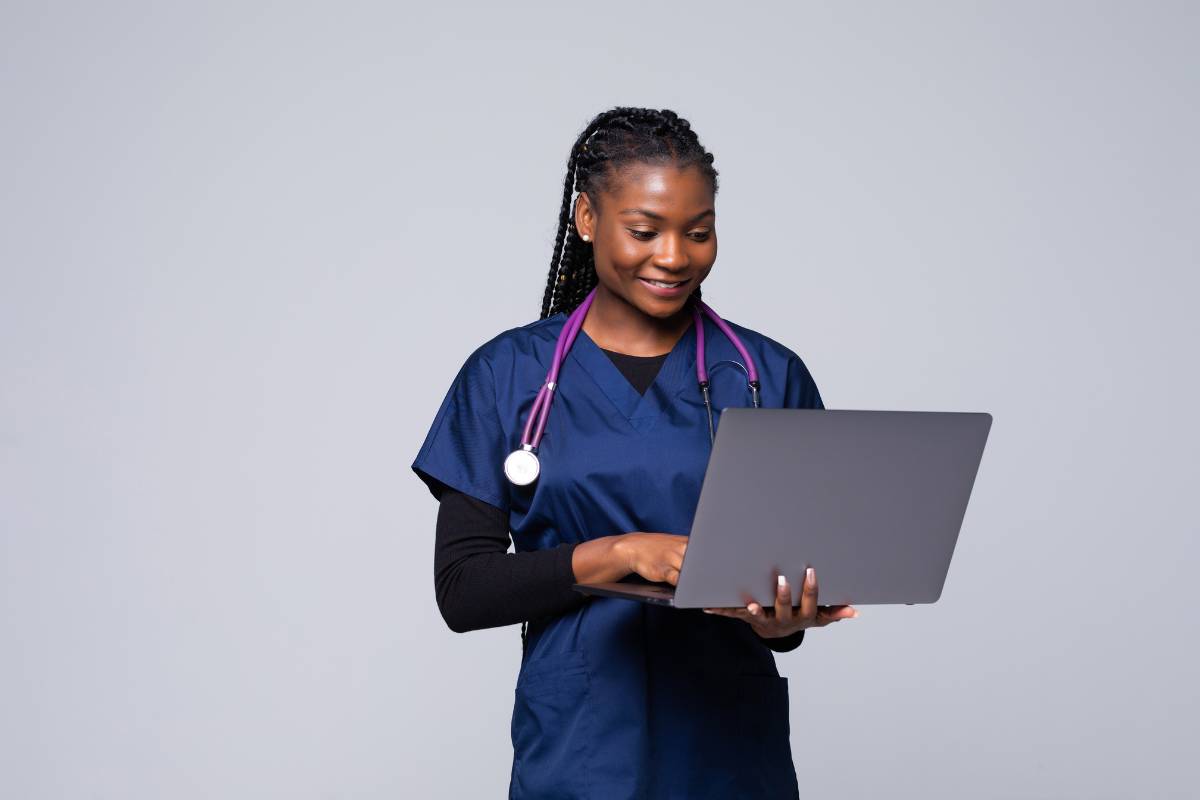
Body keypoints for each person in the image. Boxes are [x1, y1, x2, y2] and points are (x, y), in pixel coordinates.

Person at [412, 106, 858, 799]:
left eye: (699, 232)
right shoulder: (506, 376)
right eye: (644, 231)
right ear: (587, 219)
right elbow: (463, 590)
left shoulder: (768, 374)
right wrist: (621, 554)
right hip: (582, 749)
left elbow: (790, 593)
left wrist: (785, 623)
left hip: (731, 754)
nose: (675, 256)